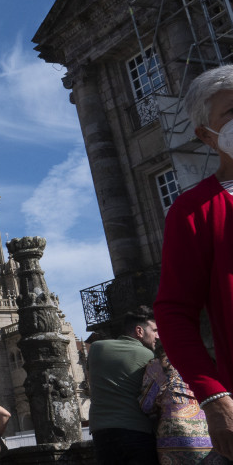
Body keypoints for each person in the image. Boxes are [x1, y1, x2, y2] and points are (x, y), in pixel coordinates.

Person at [157, 63, 233, 461]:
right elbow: (173, 312)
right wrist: (214, 396)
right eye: (231, 113)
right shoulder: (194, 209)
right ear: (206, 135)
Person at [88, 308, 159, 465]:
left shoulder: (96, 348)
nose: (157, 336)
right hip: (136, 431)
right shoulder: (150, 357)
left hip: (101, 432)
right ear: (139, 331)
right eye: (154, 330)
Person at [141, 355, 232, 464]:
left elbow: (147, 405)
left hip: (174, 434)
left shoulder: (157, 364)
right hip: (212, 431)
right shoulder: (211, 362)